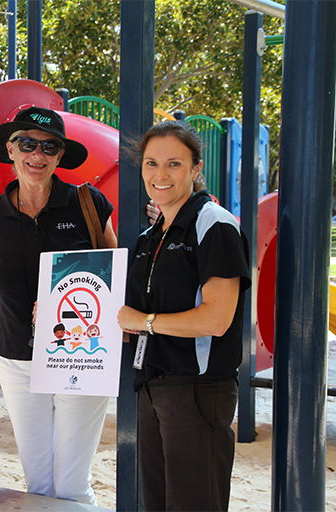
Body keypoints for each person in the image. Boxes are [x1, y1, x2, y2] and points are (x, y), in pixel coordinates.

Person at [0, 106, 117, 505]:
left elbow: (113, 275)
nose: (38, 154)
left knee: (71, 484)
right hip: (17, 357)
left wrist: (61, 305)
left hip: (81, 355)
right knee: (37, 481)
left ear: (59, 155)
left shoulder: (88, 203)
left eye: (49, 146)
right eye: (28, 143)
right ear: (11, 149)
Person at [117, 121, 250, 511]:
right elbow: (126, 319)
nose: (161, 175)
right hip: (151, 385)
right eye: (151, 164)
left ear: (196, 169)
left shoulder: (215, 224)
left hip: (197, 388)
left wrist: (145, 322)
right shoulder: (150, 236)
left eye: (174, 164)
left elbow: (216, 319)